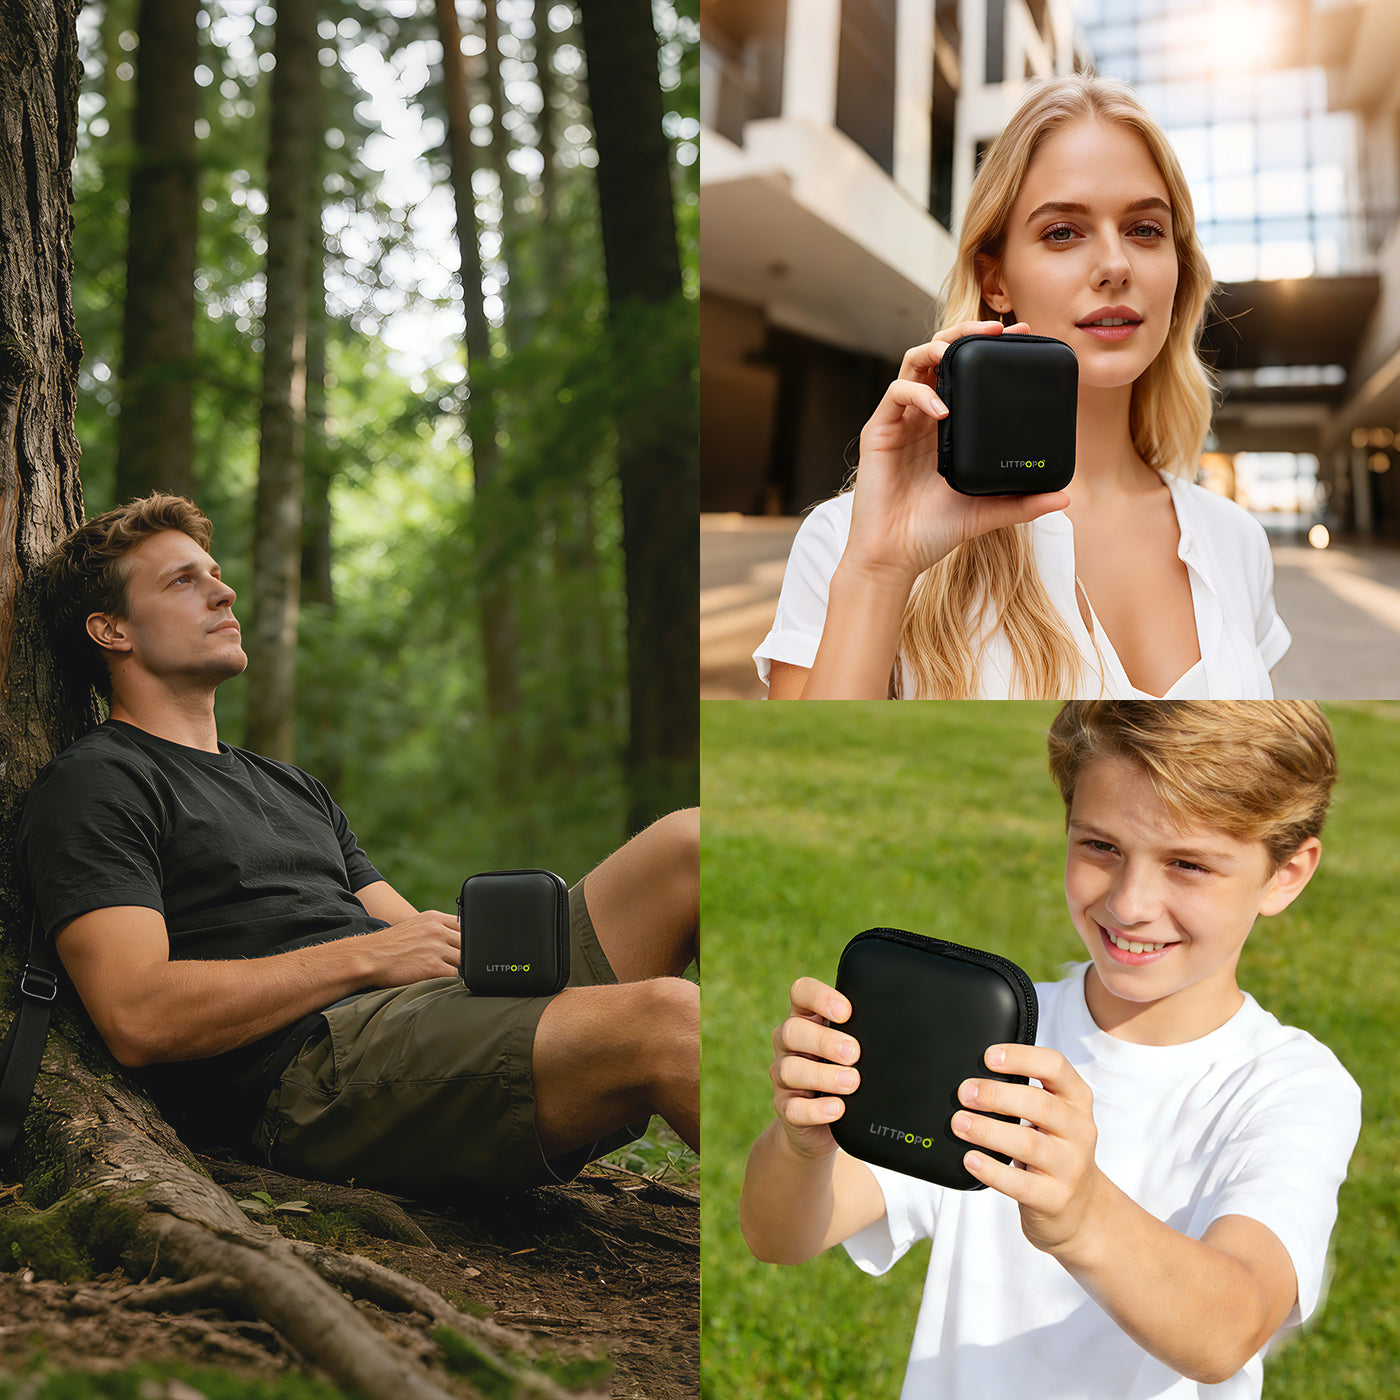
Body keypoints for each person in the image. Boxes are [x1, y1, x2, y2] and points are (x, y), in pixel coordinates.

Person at [16, 494, 699, 1193]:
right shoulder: (98, 782)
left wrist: (499, 961)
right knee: (667, 1018)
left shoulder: (290, 786)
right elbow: (137, 1014)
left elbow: (413, 938)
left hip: (409, 1022)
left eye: (215, 573)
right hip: (309, 1077)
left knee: (690, 844)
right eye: (182, 581)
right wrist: (368, 956)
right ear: (112, 630)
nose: (223, 593)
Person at [742, 702, 1359, 1398]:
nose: (1131, 903)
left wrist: (1083, 1213)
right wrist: (801, 1145)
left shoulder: (1291, 1087)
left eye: (1187, 864)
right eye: (1101, 846)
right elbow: (780, 1237)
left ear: (1286, 874)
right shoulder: (994, 1043)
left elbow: (1230, 1331)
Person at [755, 75, 1289, 699]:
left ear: (1178, 266)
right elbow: (814, 787)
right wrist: (879, 570)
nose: (1115, 266)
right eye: (1063, 232)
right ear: (996, 281)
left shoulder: (1236, 540)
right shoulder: (848, 542)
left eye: (1145, 229)